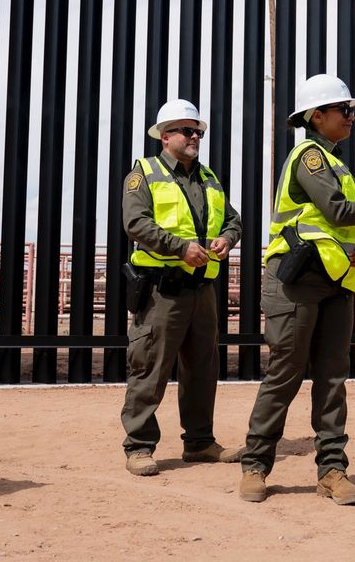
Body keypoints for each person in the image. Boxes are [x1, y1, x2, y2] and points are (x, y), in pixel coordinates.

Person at [239, 74, 355, 505]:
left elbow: (340, 223)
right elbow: (336, 210)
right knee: (285, 373)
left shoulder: (336, 162)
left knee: (333, 378)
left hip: (334, 280)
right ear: (317, 116)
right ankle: (255, 465)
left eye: (351, 109)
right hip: (296, 282)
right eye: (344, 109)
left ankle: (332, 470)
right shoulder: (310, 157)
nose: (350, 115)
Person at [121, 99, 244, 476]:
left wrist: (228, 238)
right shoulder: (144, 174)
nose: (195, 137)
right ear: (165, 136)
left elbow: (233, 219)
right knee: (149, 367)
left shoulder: (209, 178)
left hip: (201, 291)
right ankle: (139, 446)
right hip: (162, 291)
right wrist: (180, 248)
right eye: (188, 131)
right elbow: (136, 223)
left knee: (203, 370)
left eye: (198, 132)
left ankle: (200, 442)